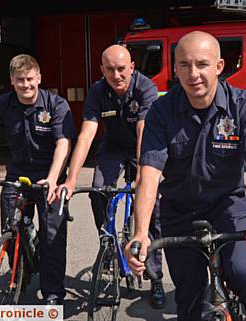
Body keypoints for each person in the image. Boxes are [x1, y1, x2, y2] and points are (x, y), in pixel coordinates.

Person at [126, 31, 246, 321]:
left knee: (245, 273)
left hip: (227, 206)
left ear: (220, 66)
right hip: (178, 210)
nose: (193, 74)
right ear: (175, 69)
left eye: (202, 64)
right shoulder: (161, 111)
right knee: (190, 297)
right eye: (184, 65)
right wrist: (141, 232)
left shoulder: (244, 105)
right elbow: (149, 174)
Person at [55, 44, 166, 308]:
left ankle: (156, 277)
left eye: (121, 69)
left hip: (145, 145)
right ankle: (107, 242)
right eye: (110, 69)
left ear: (131, 68)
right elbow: (87, 134)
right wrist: (70, 179)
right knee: (98, 191)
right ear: (102, 70)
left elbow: (143, 131)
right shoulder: (97, 91)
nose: (116, 75)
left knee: (152, 206)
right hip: (113, 146)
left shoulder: (146, 88)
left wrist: (143, 174)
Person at [0, 54, 76, 305]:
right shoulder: (1, 105)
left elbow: (63, 143)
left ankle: (53, 294)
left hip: (50, 178)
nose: (25, 85)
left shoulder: (56, 105)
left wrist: (53, 178)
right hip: (17, 176)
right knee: (11, 229)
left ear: (39, 78)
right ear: (11, 81)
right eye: (19, 80)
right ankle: (20, 275)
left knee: (52, 239)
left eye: (29, 79)